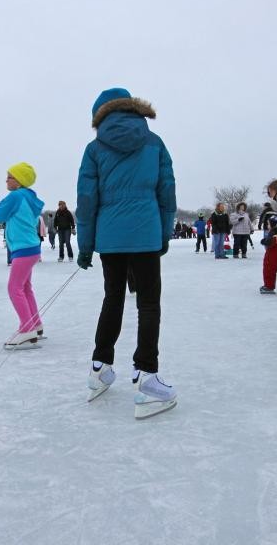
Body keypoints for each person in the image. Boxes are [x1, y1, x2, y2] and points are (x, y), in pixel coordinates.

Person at [76, 87, 177, 419]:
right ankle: (147, 376)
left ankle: (99, 367)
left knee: (113, 298)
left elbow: (87, 201)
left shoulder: (94, 149)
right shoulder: (155, 143)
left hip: (110, 236)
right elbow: (166, 192)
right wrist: (163, 233)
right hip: (145, 233)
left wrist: (87, 244)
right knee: (148, 304)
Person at [0, 163, 45, 347]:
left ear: (19, 181)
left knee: (14, 288)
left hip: (23, 249)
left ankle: (26, 329)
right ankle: (36, 323)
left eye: (9, 176)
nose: (6, 180)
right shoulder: (29, 197)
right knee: (25, 287)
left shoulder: (15, 196)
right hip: (31, 248)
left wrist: (3, 201)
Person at [259, 214, 277, 294]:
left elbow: (272, 242)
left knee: (269, 270)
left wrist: (265, 241)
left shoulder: (276, 234)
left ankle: (269, 287)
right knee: (269, 270)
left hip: (274, 254)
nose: (267, 225)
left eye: (268, 224)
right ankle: (268, 285)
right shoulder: (276, 232)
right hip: (274, 253)